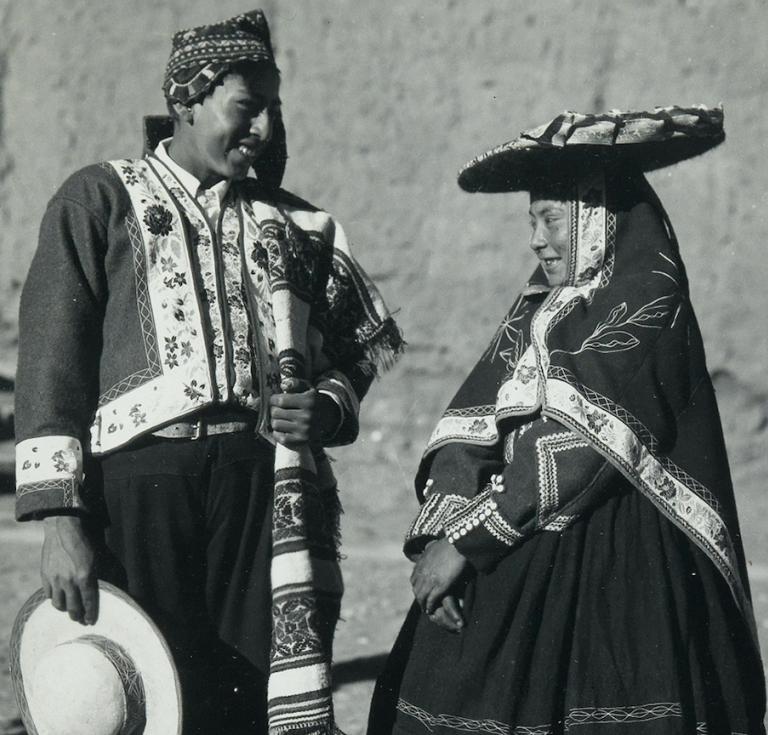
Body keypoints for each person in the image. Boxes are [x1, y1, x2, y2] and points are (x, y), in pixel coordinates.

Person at [14, 10, 402, 735]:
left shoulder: (293, 224)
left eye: (271, 111)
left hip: (258, 489)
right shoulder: (100, 199)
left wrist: (327, 404)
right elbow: (51, 360)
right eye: (245, 109)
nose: (260, 129)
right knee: (150, 688)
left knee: (244, 695)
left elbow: (359, 342)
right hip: (140, 488)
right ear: (188, 101)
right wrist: (62, 518)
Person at [368, 106, 765, 735]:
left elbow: (578, 448)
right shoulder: (540, 308)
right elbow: (474, 417)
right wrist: (443, 524)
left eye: (552, 217)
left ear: (598, 217)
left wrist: (468, 544)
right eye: (531, 219)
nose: (536, 238)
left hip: (616, 554)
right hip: (513, 534)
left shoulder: (648, 300)